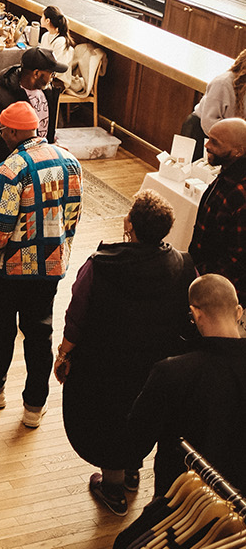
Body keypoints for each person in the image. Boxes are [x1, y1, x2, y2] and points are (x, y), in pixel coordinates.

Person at [56, 190, 192, 515]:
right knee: (143, 414)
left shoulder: (100, 267)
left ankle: (114, 489)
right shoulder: (184, 266)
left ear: (129, 223)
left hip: (105, 363)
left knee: (107, 420)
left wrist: (63, 354)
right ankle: (133, 472)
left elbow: (76, 315)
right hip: (157, 364)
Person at [0, 100, 83, 428]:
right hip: (49, 268)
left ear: (16, 131)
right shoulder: (70, 160)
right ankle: (34, 406)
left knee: (2, 328)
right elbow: (72, 215)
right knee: (40, 334)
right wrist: (61, 251)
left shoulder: (11, 169)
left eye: (3, 128)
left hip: (11, 270)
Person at [125, 273, 246, 498]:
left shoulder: (171, 372)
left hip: (183, 498)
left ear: (196, 313)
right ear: (238, 312)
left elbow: (135, 443)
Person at [0, 46, 68, 196]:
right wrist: (30, 156)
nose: (53, 77)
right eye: (51, 73)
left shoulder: (48, 91)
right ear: (36, 73)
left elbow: (48, 128)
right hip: (7, 171)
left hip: (38, 168)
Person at [188, 116, 246, 298]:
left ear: (238, 151)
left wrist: (201, 278)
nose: (206, 145)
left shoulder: (240, 193)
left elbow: (238, 259)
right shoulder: (228, 174)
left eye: (215, 142)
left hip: (219, 290)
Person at [180, 49, 246, 159]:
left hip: (230, 140)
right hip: (201, 132)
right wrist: (233, 139)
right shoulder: (223, 83)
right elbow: (208, 121)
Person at [40, 5, 75, 78]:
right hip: (44, 73)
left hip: (57, 79)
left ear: (47, 21)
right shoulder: (46, 35)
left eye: (42, 17)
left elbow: (56, 68)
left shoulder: (60, 41)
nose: (41, 19)